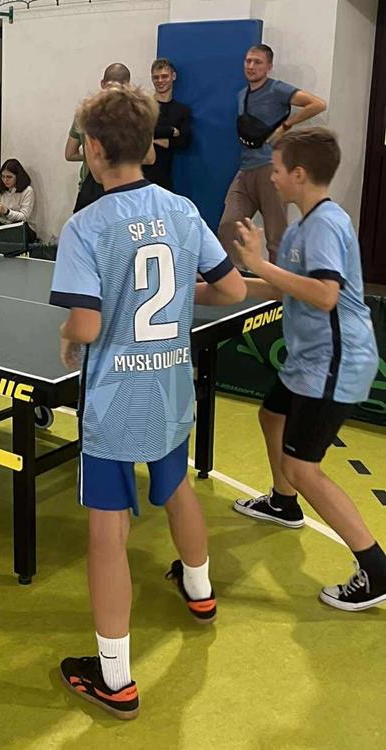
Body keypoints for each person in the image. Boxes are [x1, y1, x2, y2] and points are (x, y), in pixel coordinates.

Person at [50, 84, 246, 720]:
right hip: (170, 386)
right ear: (145, 146)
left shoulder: (85, 225)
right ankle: (200, 590)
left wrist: (67, 335)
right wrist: (185, 298)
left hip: (113, 402)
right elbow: (233, 289)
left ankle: (115, 678)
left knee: (107, 532)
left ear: (94, 149)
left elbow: (85, 324)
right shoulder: (182, 209)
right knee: (177, 486)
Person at [231, 128, 384, 611]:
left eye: (276, 169)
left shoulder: (326, 225)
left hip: (335, 362)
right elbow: (284, 288)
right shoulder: (301, 226)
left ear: (298, 174)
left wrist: (259, 264)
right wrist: (213, 286)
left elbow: (324, 294)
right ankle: (283, 502)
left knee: (303, 467)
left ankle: (376, 568)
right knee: (271, 416)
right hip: (308, 360)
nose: (271, 177)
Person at [217, 45, 326, 265]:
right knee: (229, 227)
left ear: (269, 66)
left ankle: (279, 281)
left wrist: (286, 126)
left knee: (276, 237)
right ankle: (235, 278)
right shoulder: (242, 95)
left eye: (257, 62)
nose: (251, 66)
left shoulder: (277, 89)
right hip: (245, 169)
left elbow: (317, 104)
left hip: (271, 168)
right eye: (248, 61)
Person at [65, 63, 132, 213]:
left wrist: (90, 156)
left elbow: (69, 154)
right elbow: (149, 158)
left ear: (103, 83)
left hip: (90, 187)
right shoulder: (134, 116)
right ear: (128, 86)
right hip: (123, 186)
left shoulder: (84, 114)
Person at [144, 58, 191, 190]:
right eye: (156, 77)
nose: (160, 81)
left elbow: (184, 142)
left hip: (164, 175)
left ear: (173, 76)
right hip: (141, 173)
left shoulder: (182, 110)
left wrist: (154, 139)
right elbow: (140, 133)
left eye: (164, 76)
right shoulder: (144, 106)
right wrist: (170, 131)